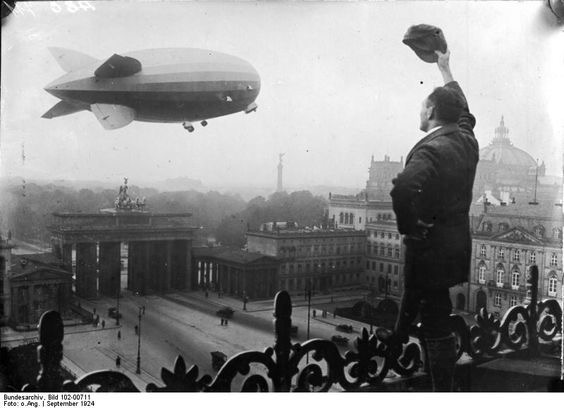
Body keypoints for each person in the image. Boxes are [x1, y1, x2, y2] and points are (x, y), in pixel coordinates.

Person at [376, 49, 478, 392]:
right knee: (432, 306)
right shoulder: (467, 140)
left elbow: (403, 187)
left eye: (423, 105)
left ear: (431, 110)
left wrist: (408, 226)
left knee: (433, 316)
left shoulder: (429, 149)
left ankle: (441, 389)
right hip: (455, 245)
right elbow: (464, 110)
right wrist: (445, 68)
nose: (419, 110)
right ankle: (400, 335)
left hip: (428, 244)